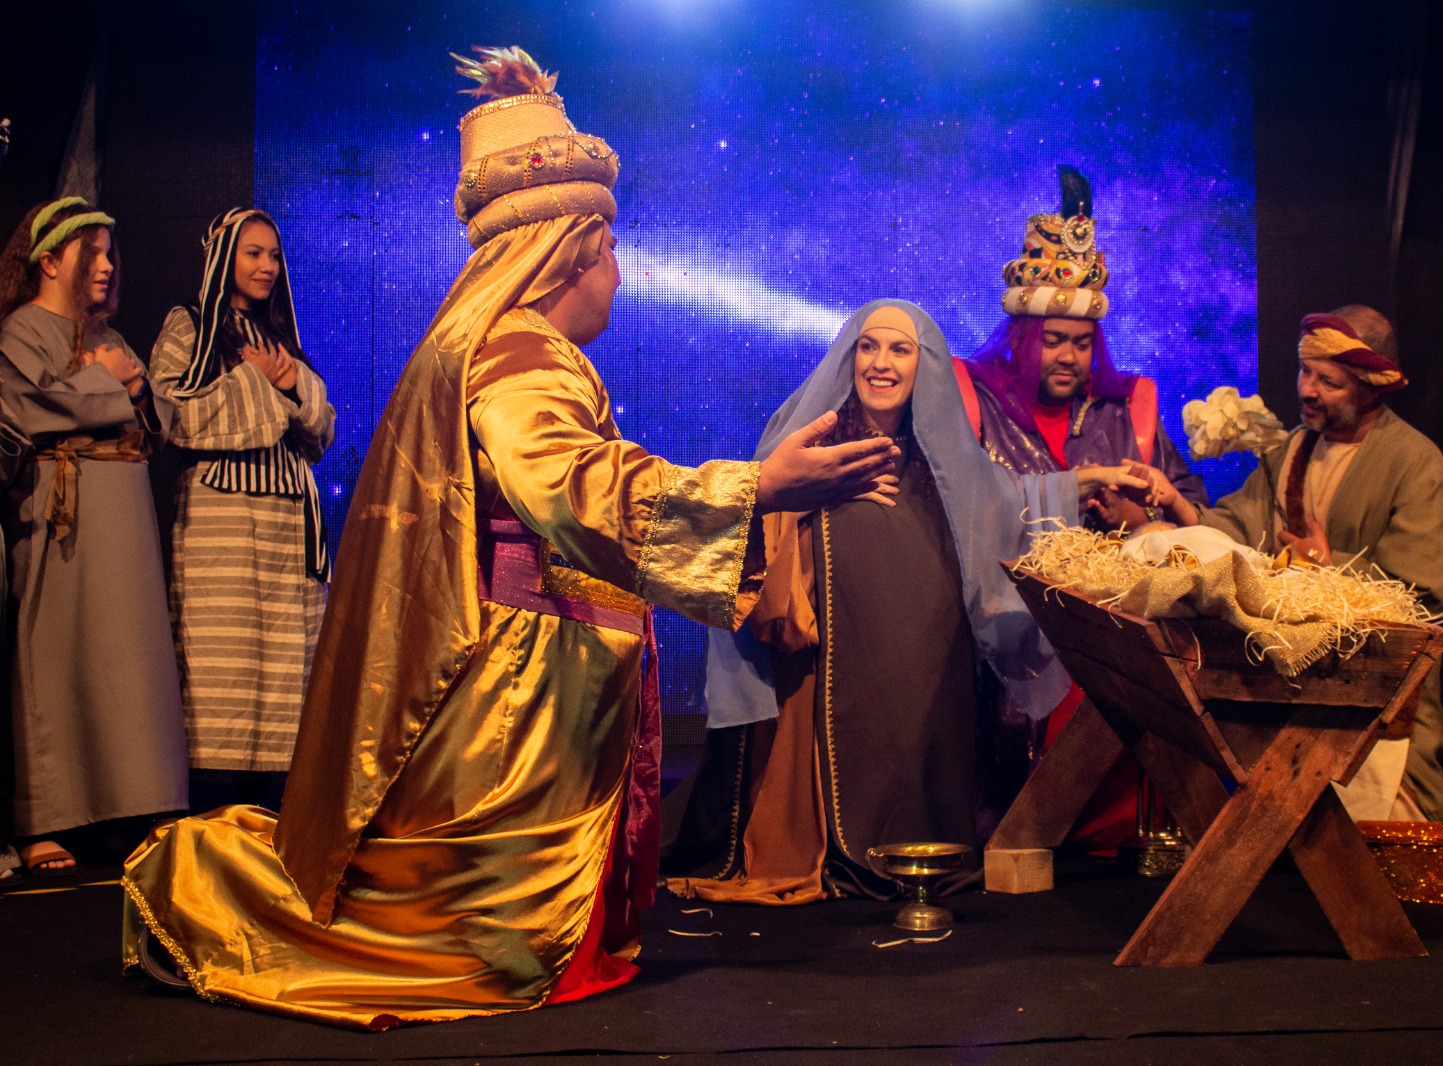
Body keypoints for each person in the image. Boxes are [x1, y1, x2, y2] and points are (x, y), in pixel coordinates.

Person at [120, 48, 898, 1028]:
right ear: (571, 249)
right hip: (521, 682)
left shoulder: (503, 345)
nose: (620, 269)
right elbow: (576, 488)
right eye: (611, 247)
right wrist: (760, 487)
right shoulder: (521, 354)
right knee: (473, 934)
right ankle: (220, 890)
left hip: (535, 660)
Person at [662, 301, 1146, 904]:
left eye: (899, 350)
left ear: (926, 367)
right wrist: (813, 507)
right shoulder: (815, 442)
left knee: (918, 747)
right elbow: (755, 510)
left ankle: (920, 841)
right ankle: (828, 847)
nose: (881, 364)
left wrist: (1088, 480)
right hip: (827, 661)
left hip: (927, 665)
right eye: (868, 347)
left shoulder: (941, 461)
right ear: (849, 358)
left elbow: (1007, 503)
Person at [1149, 306, 1443, 864]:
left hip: (1378, 681)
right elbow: (1242, 527)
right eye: (1305, 372)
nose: (1308, 390)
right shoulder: (1294, 448)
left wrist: (1328, 563)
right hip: (1292, 666)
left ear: (1370, 387)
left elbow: (1427, 590)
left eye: (1328, 380)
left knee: (1427, 832)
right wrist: (1175, 508)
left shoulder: (1415, 463)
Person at [957, 167, 1206, 852]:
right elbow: (963, 506)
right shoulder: (975, 403)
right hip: (1008, 629)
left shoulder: (1132, 411)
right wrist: (1078, 484)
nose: (1069, 355)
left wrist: (1148, 509)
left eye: (1082, 341)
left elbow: (1198, 523)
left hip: (1116, 632)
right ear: (1022, 336)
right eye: (1054, 339)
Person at [0, 197, 188, 877]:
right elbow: (27, 407)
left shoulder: (107, 334)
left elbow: (155, 412)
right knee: (56, 656)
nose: (108, 267)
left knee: (127, 661)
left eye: (112, 254)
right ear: (50, 260)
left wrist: (135, 391)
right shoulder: (22, 330)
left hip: (125, 519)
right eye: (93, 254)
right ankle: (47, 817)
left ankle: (129, 806)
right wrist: (103, 382)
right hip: (62, 521)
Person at [150, 209, 336, 811]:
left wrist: (288, 388)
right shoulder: (190, 326)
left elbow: (321, 427)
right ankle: (209, 806)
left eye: (274, 256)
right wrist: (264, 385)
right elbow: (175, 412)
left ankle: (270, 803)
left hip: (287, 520)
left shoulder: (279, 335)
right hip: (220, 520)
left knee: (282, 662)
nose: (266, 267)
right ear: (223, 256)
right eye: (253, 253)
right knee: (220, 661)